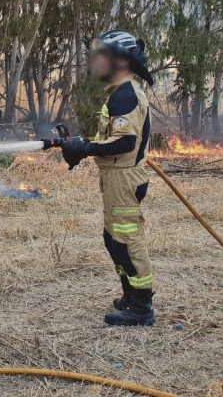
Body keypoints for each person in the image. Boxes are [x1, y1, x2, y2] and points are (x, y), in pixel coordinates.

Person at [60, 29, 156, 326]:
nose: (97, 62)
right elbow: (114, 137)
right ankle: (130, 296)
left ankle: (142, 308)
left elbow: (125, 143)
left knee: (126, 242)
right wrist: (81, 144)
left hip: (123, 179)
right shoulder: (120, 92)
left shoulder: (126, 95)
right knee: (113, 239)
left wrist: (86, 149)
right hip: (116, 178)